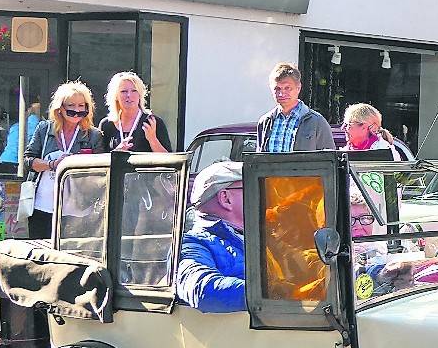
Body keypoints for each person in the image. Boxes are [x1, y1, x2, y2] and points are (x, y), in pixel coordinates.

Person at [24, 82, 103, 240]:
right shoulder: (44, 129)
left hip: (77, 211)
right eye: (71, 105)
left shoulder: (94, 135)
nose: (77, 110)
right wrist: (52, 164)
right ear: (60, 107)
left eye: (82, 105)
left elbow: (99, 173)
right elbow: (28, 161)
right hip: (42, 207)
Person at [176, 161, 246, 313]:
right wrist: (270, 294)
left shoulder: (261, 236)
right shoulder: (193, 244)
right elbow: (201, 289)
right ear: (225, 198)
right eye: (252, 188)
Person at [257, 62, 333, 153]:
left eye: (287, 88)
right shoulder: (266, 121)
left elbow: (329, 161)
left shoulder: (317, 122)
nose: (282, 93)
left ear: (298, 88)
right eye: (277, 89)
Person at [99, 72, 172, 153]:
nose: (129, 95)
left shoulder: (152, 122)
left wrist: (152, 139)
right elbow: (99, 160)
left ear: (140, 95)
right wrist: (117, 152)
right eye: (124, 91)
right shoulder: (107, 125)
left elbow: (168, 159)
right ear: (116, 96)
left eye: (134, 91)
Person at [341, 103, 406, 159]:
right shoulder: (344, 152)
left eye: (348, 125)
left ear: (365, 127)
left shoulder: (384, 151)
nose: (343, 128)